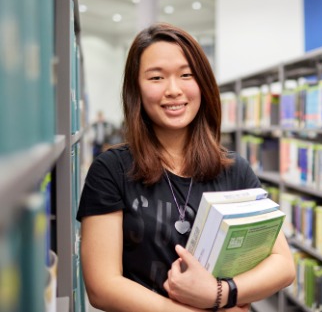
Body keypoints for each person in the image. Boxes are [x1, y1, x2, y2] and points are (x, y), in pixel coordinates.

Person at [76, 22, 295, 312]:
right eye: (156, 78)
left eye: (186, 75)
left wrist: (220, 293)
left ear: (202, 83)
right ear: (136, 89)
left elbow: (283, 265)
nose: (173, 90)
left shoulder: (233, 169)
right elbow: (103, 287)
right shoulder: (111, 170)